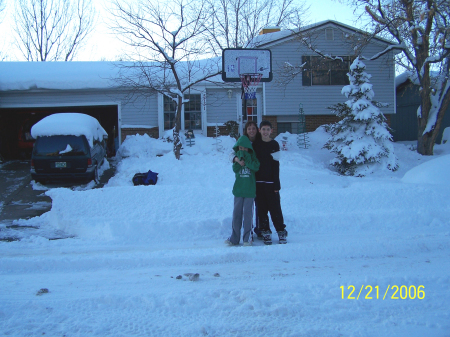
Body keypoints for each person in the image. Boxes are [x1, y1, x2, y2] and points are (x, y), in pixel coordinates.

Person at [252, 120, 287, 245]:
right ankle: (265, 231)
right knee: (261, 209)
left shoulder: (274, 145)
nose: (265, 132)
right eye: (263, 129)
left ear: (271, 131)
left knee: (275, 208)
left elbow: (276, 166)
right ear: (260, 130)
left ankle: (281, 231)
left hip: (271, 183)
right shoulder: (255, 144)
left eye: (268, 129)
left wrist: (276, 184)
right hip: (258, 182)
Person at [226, 135, 260, 246]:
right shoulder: (238, 160)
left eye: (245, 148)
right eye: (240, 148)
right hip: (238, 191)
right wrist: (239, 160)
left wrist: (248, 159)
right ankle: (234, 238)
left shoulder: (253, 157)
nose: (243, 151)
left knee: (248, 215)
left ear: (248, 148)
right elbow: (235, 169)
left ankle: (247, 238)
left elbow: (256, 167)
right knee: (236, 215)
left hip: (249, 191)